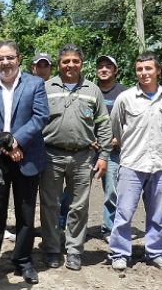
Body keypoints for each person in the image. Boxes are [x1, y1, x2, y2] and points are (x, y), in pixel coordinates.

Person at [0, 40, 49, 289]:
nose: (5, 63)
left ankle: (23, 260)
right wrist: (6, 144)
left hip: (28, 156)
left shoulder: (35, 84)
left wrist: (17, 141)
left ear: (18, 58)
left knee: (26, 214)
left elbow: (40, 117)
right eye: (0, 58)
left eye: (9, 58)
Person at [40, 45, 111, 271]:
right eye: (66, 61)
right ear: (59, 64)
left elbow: (104, 125)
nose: (70, 65)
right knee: (50, 205)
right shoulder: (46, 88)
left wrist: (104, 156)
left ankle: (74, 251)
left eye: (75, 61)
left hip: (83, 157)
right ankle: (52, 249)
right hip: (50, 155)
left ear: (81, 63)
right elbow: (36, 121)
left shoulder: (93, 90)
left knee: (78, 206)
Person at [109, 52, 162, 273]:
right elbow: (116, 128)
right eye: (139, 69)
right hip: (132, 163)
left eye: (148, 68)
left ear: (158, 71)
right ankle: (119, 254)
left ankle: (157, 253)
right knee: (124, 213)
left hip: (159, 165)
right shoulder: (125, 98)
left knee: (157, 214)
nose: (144, 73)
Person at [95, 55, 127, 239]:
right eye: (100, 66)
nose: (104, 69)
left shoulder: (124, 94)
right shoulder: (91, 91)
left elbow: (130, 122)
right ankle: (63, 226)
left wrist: (117, 139)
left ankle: (109, 229)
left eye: (108, 66)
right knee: (73, 191)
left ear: (115, 70)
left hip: (114, 151)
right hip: (89, 149)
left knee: (112, 191)